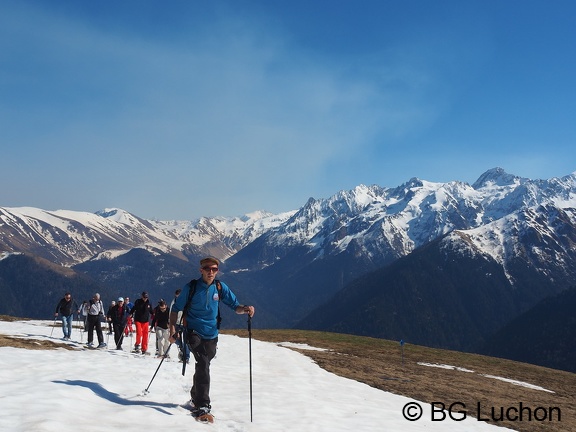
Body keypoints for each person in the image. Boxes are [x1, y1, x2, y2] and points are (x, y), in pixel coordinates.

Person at [169, 257, 255, 421]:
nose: (211, 272)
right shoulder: (191, 287)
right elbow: (176, 308)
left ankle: (195, 395)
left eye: (214, 269)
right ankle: (202, 406)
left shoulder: (220, 287)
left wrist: (245, 309)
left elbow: (234, 306)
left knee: (205, 364)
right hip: (193, 332)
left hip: (212, 334)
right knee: (203, 363)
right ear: (201, 270)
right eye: (208, 269)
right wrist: (172, 330)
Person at [170, 288, 189, 363]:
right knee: (177, 340)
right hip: (177, 323)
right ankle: (182, 351)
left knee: (185, 341)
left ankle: (186, 357)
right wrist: (171, 323)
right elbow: (171, 313)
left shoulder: (186, 302)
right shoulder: (174, 302)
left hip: (185, 323)